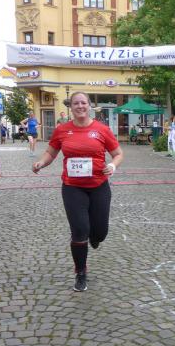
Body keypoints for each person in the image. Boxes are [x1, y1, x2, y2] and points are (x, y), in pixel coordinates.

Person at [32, 92, 124, 292]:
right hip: (73, 187)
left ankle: (95, 237)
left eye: (83, 103)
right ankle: (81, 272)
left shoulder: (102, 129)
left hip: (99, 186)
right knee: (79, 230)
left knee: (100, 232)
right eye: (76, 103)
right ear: (71, 107)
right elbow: (51, 152)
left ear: (89, 106)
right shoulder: (62, 130)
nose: (80, 106)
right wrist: (41, 163)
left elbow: (118, 154)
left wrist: (112, 165)